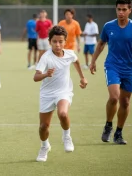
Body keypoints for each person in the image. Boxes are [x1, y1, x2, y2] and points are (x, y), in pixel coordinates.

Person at [90, 0, 132, 145]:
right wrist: (93, 61)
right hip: (112, 66)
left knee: (125, 102)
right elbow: (101, 44)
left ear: (130, 10)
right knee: (114, 97)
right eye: (118, 9)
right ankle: (108, 125)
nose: (121, 12)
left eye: (124, 10)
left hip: (130, 68)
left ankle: (118, 133)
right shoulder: (109, 26)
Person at [33, 26, 87, 162]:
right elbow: (35, 77)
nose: (58, 44)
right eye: (54, 41)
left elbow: (76, 61)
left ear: (65, 42)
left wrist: (82, 77)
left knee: (63, 113)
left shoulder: (70, 53)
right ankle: (45, 146)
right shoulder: (46, 57)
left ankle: (66, 136)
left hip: (64, 91)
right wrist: (46, 74)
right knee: (43, 127)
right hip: (47, 94)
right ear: (50, 41)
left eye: (60, 41)